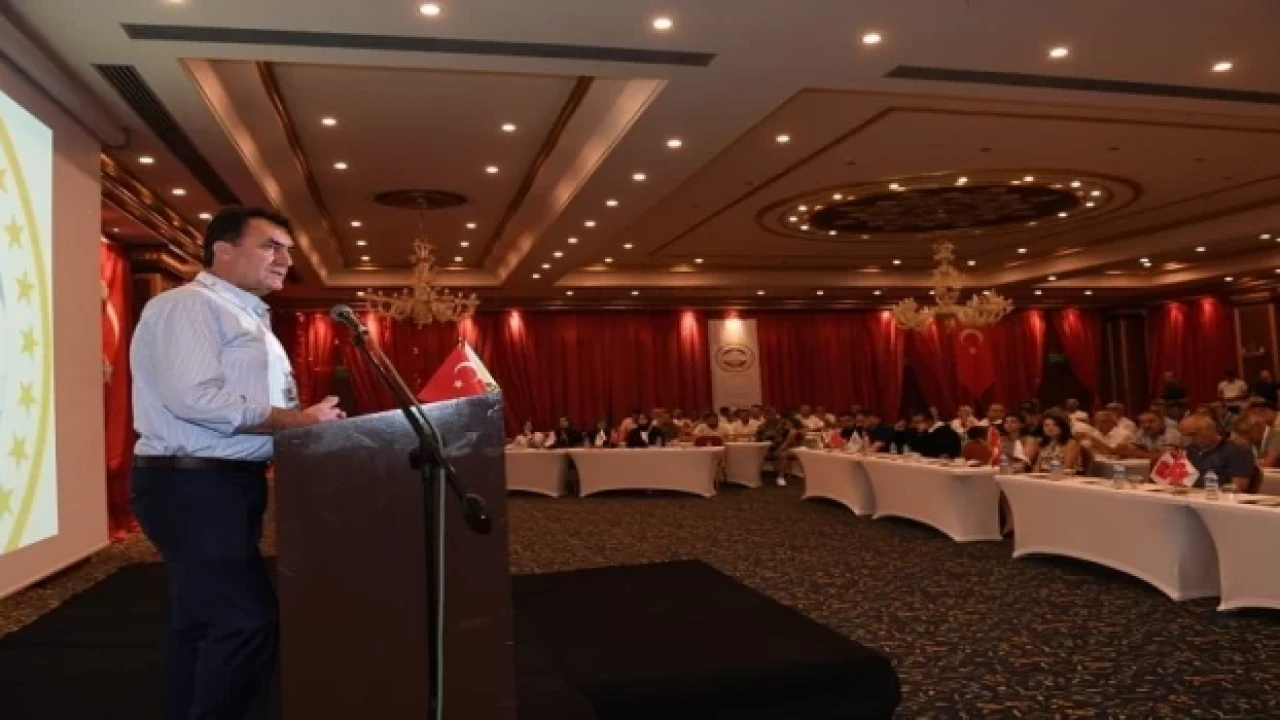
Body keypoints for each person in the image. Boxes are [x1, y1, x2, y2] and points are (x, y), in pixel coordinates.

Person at [130, 207, 346, 720]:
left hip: (223, 485)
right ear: (222, 250)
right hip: (192, 487)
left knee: (201, 624)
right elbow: (196, 399)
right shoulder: (189, 305)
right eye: (272, 246)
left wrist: (304, 424)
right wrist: (297, 421)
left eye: (288, 249)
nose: (286, 259)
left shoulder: (248, 315)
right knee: (243, 622)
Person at [1179, 413, 1255, 489]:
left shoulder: (1237, 451)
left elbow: (1239, 486)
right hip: (1187, 493)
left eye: (1193, 435)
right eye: (1187, 436)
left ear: (1210, 430)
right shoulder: (1190, 450)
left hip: (1217, 494)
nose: (1190, 439)